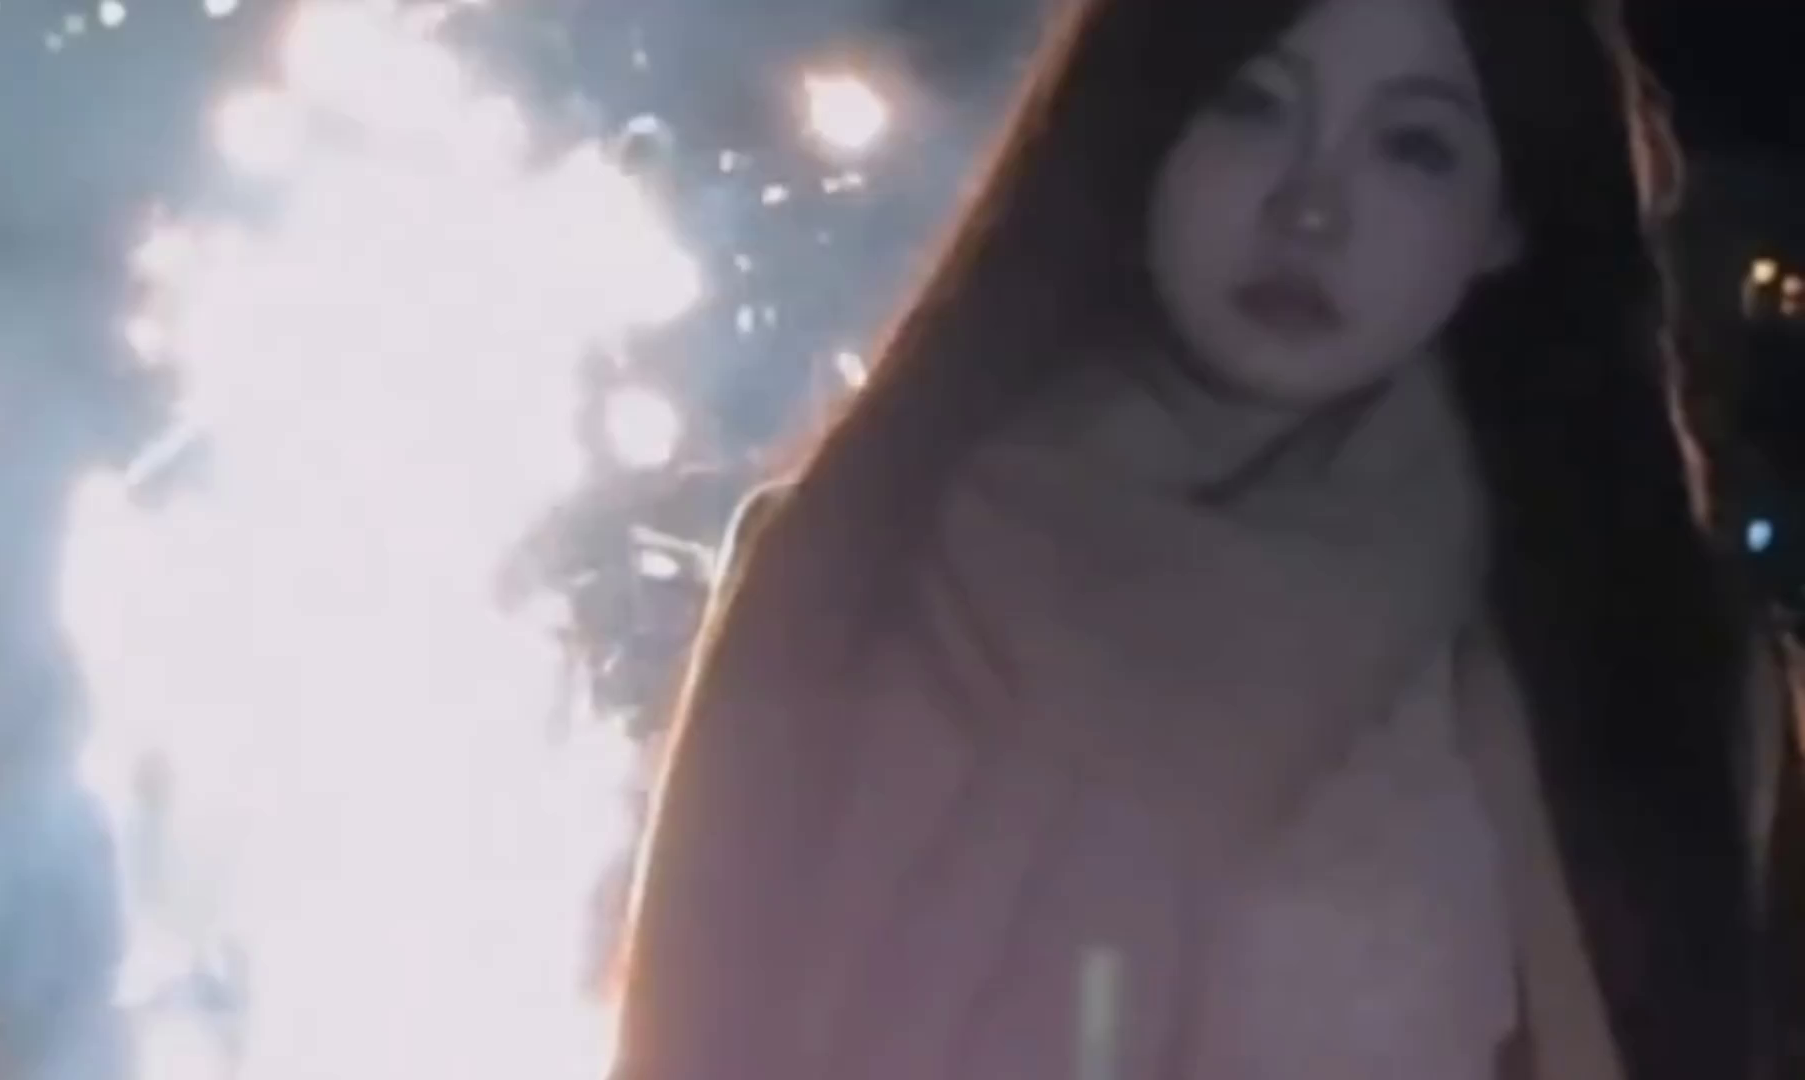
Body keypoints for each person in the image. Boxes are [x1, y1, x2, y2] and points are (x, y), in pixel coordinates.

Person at [612, 0, 1802, 1077]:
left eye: (1413, 145)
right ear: (1150, 124)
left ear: (1506, 218)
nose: (1310, 207)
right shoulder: (852, 562)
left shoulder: (1628, 682)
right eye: (1251, 103)